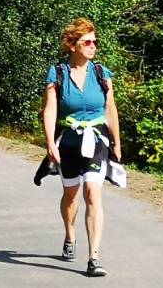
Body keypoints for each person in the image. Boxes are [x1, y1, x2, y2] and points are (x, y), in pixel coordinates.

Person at [41, 18, 121, 278]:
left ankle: (93, 257)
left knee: (92, 193)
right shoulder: (58, 73)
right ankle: (70, 234)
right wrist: (50, 141)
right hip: (70, 141)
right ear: (72, 45)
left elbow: (110, 109)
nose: (93, 46)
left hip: (97, 139)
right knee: (72, 195)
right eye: (87, 42)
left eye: (95, 42)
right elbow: (50, 108)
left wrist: (117, 144)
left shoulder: (102, 74)